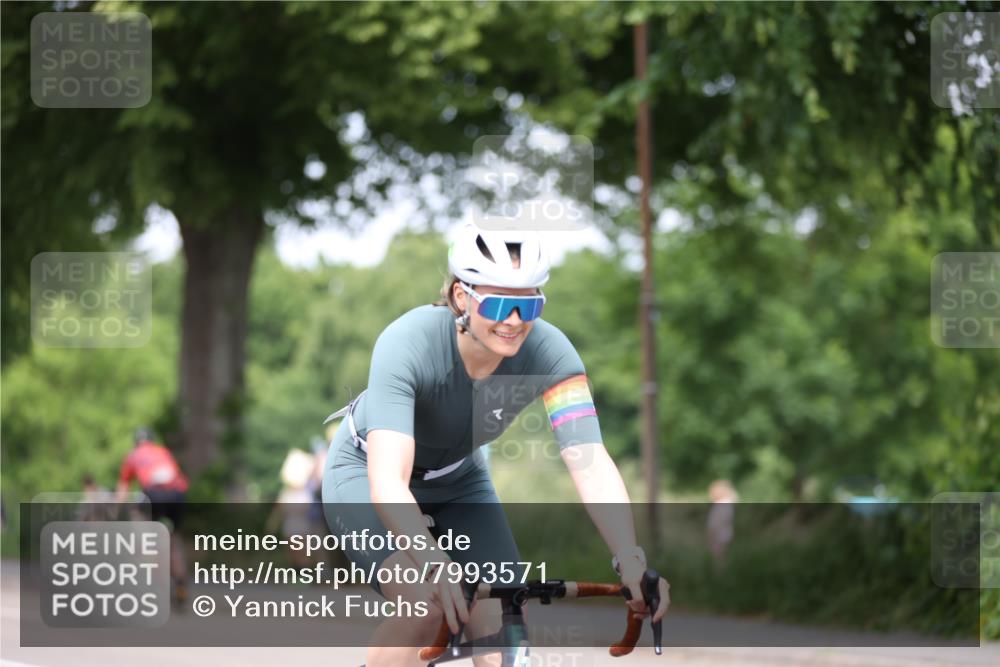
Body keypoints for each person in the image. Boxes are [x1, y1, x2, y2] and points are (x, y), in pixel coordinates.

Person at [322, 224, 670, 667]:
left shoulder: (552, 354)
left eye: (529, 304)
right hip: (365, 472)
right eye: (500, 304)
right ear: (460, 297)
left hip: (461, 481)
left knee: (505, 625)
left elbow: (590, 462)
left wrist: (630, 559)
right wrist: (435, 563)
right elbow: (389, 482)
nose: (515, 320)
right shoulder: (407, 342)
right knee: (426, 605)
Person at [116, 428, 189, 600]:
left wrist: (117, 512)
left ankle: (151, 568)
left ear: (136, 443)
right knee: (174, 539)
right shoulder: (163, 451)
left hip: (153, 494)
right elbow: (176, 477)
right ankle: (180, 583)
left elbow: (123, 488)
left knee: (141, 524)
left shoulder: (133, 455)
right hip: (177, 495)